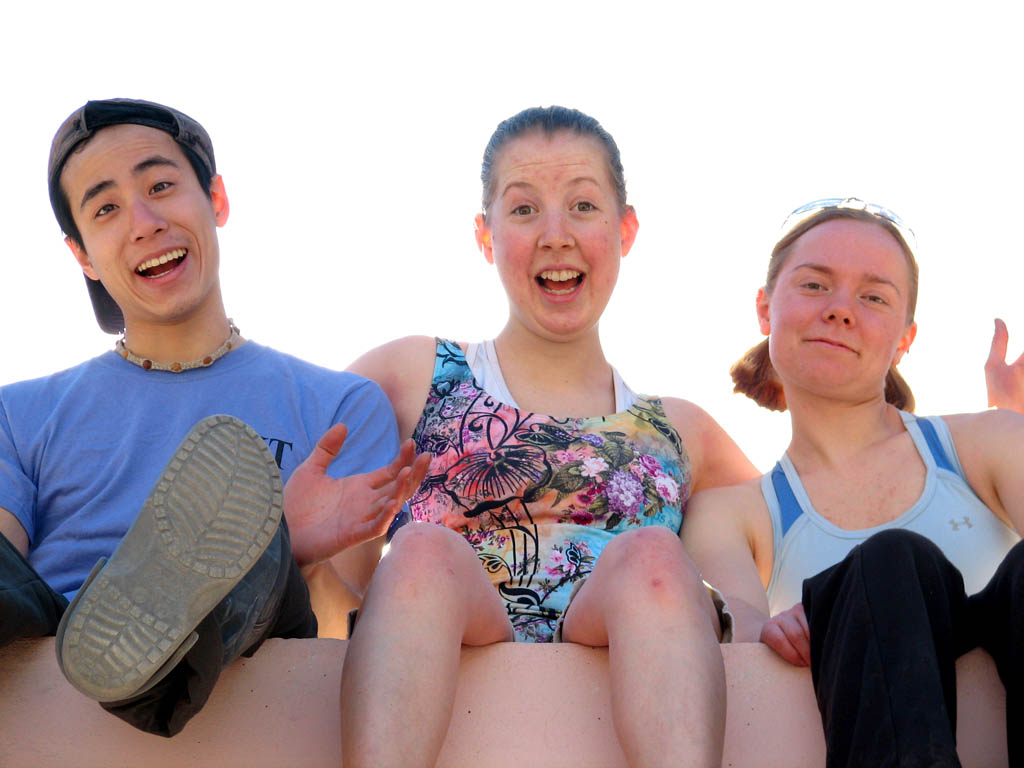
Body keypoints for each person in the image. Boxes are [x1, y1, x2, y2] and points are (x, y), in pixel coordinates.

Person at [340, 106, 759, 768]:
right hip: (456, 628)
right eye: (525, 209)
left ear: (625, 230)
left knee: (652, 557)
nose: (556, 235)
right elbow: (294, 482)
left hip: (618, 634)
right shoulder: (413, 375)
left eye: (584, 205)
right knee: (420, 551)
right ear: (486, 235)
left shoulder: (684, 429)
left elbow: (791, 544)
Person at [0, 98, 426, 737]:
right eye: (106, 208)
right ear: (82, 254)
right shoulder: (17, 412)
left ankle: (180, 629)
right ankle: (130, 642)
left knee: (258, 553)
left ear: (216, 200)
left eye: (161, 186)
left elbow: (338, 631)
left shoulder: (340, 407)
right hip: (59, 637)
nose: (144, 222)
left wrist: (297, 545)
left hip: (242, 642)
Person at [682, 198, 1024, 767]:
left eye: (873, 296)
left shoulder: (992, 441)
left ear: (905, 337)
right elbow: (739, 641)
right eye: (815, 285)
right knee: (887, 564)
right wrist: (771, 627)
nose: (841, 310)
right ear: (766, 310)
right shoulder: (732, 513)